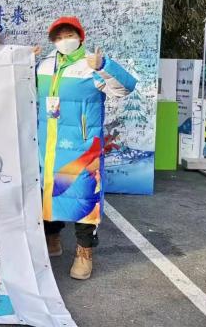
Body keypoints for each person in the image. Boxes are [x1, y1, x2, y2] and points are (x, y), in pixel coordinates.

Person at [36, 16, 136, 280]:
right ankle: (53, 239)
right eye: (59, 37)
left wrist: (104, 66)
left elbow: (125, 89)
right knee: (49, 193)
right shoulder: (43, 65)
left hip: (82, 148)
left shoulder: (90, 65)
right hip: (48, 146)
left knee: (84, 198)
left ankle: (84, 252)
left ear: (80, 37)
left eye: (69, 35)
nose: (64, 40)